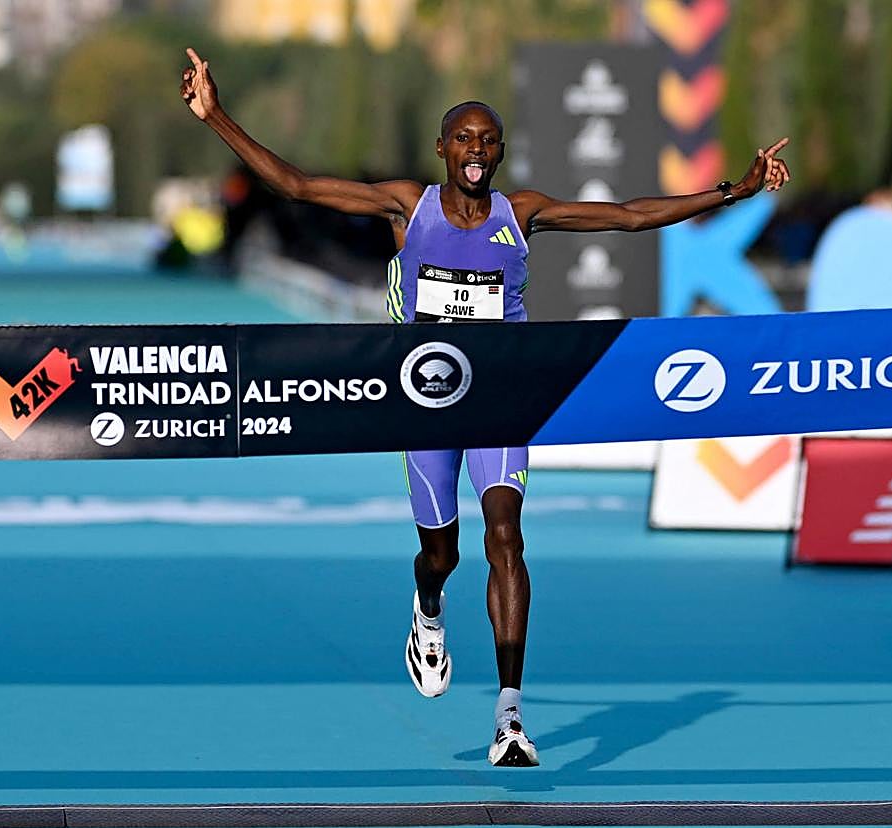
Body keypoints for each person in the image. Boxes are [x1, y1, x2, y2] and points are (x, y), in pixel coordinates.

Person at [180, 47, 790, 768]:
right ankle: (428, 611)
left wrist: (733, 191)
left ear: (500, 151)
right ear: (443, 149)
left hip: (501, 399)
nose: (476, 149)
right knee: (443, 553)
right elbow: (297, 184)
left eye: (488, 139)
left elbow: (629, 217)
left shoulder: (520, 213)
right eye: (463, 138)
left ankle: (509, 716)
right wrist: (216, 115)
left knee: (507, 537)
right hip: (426, 400)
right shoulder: (408, 204)